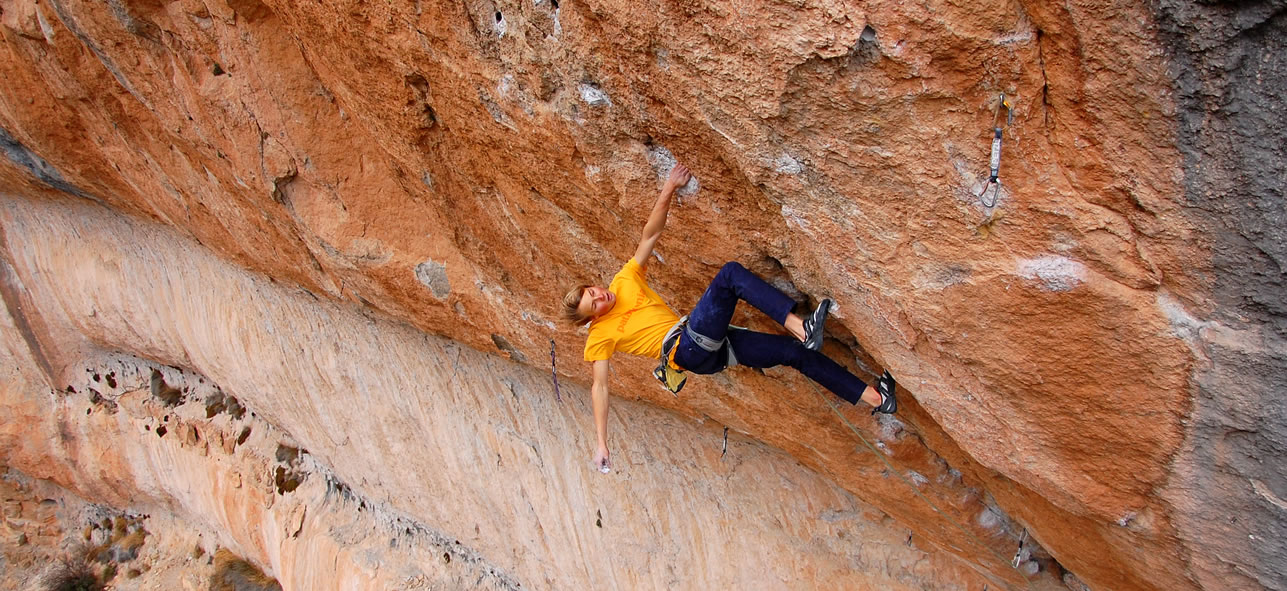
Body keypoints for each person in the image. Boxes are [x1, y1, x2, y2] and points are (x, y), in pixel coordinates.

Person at [561, 163, 897, 473]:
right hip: (686, 348)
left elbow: (649, 235)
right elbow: (600, 387)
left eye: (593, 293)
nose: (600, 298)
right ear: (592, 320)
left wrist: (668, 188)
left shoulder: (624, 280)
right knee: (730, 276)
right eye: (595, 307)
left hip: (708, 349)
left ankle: (878, 400)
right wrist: (602, 442)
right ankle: (801, 328)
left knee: (793, 355)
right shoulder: (599, 338)